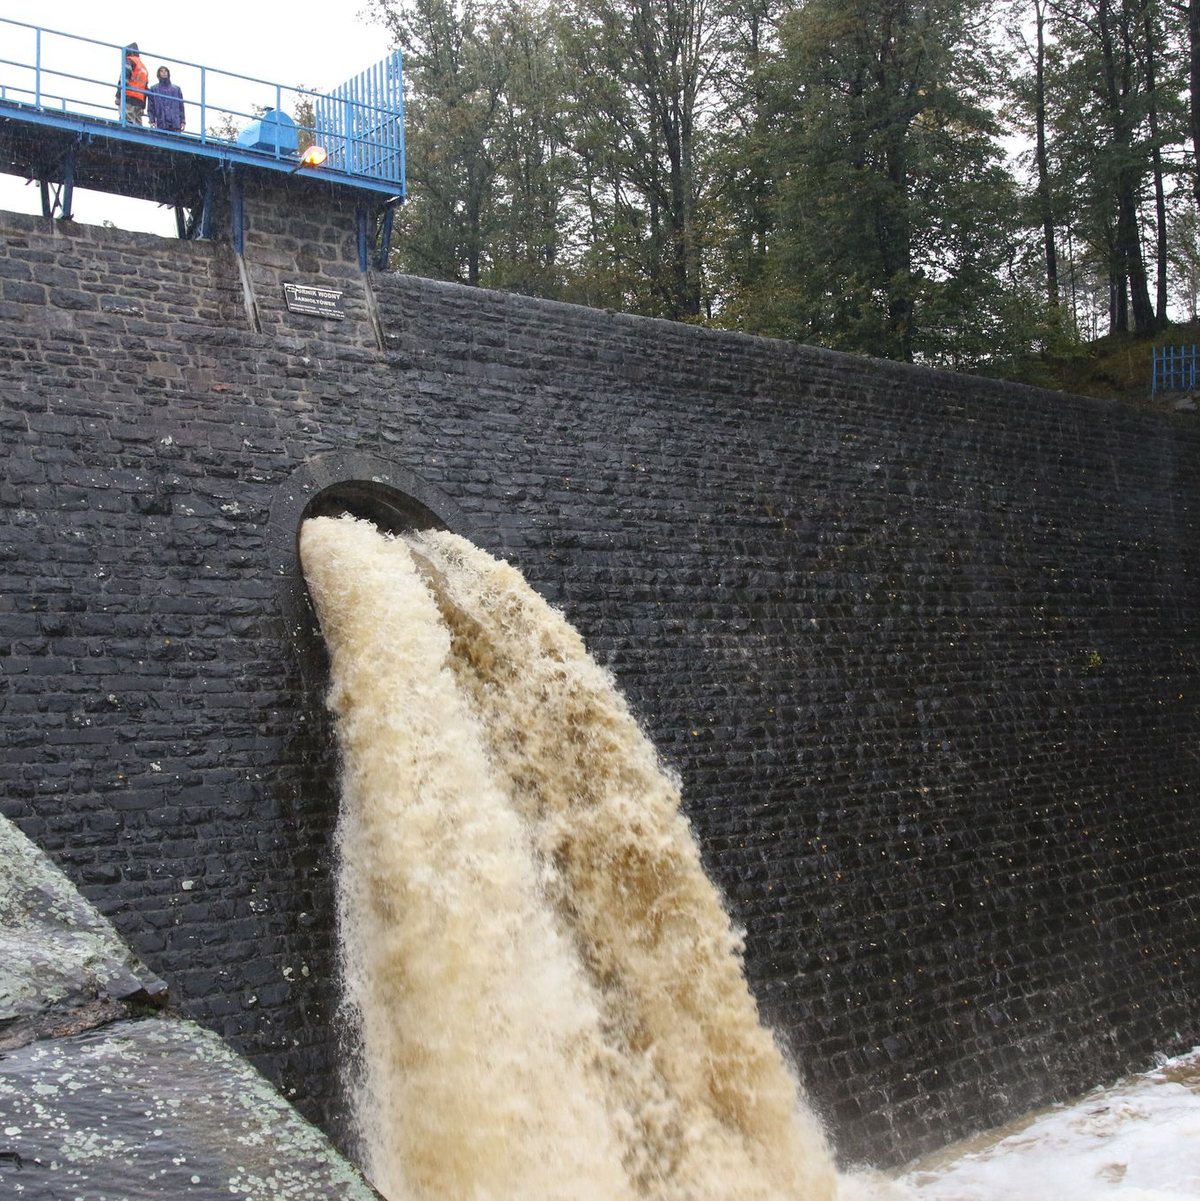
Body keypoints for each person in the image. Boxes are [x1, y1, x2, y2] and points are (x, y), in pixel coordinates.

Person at [115, 43, 148, 125]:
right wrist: (143, 106)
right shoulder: (143, 67)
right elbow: (146, 89)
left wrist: (118, 96)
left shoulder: (130, 61)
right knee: (138, 126)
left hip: (128, 97)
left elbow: (124, 79)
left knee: (127, 122)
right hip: (139, 100)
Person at [147, 66, 185, 133]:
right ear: (158, 74)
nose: (164, 73)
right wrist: (151, 120)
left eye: (165, 71)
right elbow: (150, 107)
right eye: (161, 71)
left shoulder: (176, 89)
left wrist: (183, 121)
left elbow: (181, 107)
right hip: (161, 123)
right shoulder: (154, 89)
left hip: (175, 123)